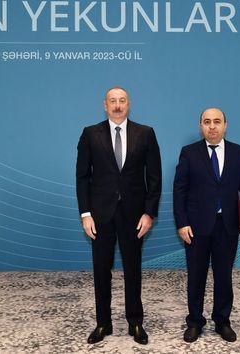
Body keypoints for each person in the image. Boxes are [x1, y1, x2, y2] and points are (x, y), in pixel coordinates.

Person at [76, 86, 162, 345]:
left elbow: (154, 177)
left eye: (122, 100)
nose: (117, 105)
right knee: (101, 270)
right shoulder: (90, 134)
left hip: (134, 215)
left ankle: (135, 322)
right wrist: (85, 214)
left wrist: (149, 213)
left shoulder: (145, 133)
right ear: (105, 105)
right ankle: (103, 323)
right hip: (100, 215)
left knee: (133, 269)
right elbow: (82, 177)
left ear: (129, 104)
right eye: (112, 101)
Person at [173, 107, 240, 343]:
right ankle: (195, 322)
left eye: (217, 121)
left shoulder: (239, 153)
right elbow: (180, 191)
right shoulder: (189, 153)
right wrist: (182, 223)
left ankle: (222, 321)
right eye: (207, 122)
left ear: (225, 125)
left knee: (224, 276)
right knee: (196, 276)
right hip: (196, 227)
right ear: (200, 125)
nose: (212, 126)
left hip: (227, 226)